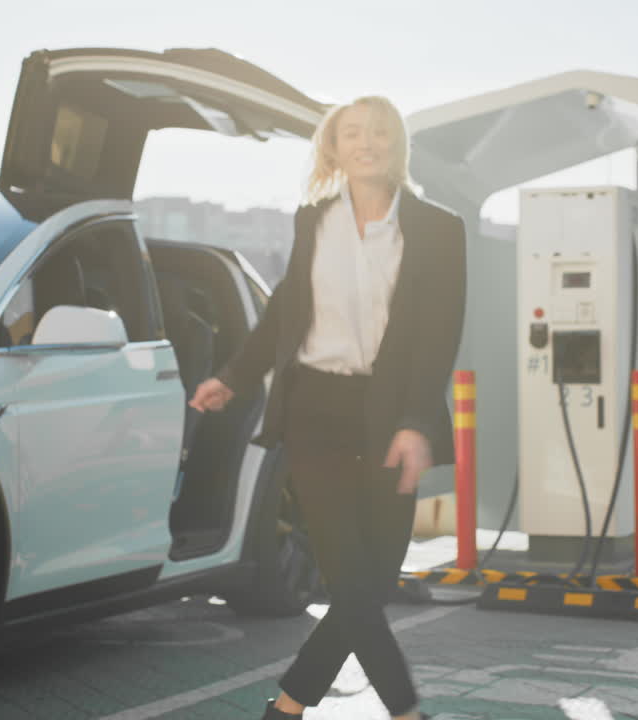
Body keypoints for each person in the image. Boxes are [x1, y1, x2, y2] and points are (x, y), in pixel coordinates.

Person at [188, 95, 466, 720]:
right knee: (350, 580)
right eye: (352, 133)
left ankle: (286, 708)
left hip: (391, 415)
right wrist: (233, 377)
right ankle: (407, 713)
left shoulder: (439, 230)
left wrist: (418, 422)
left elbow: (440, 333)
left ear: (398, 145)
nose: (366, 142)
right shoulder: (313, 222)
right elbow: (287, 309)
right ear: (333, 148)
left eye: (378, 131)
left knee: (371, 582)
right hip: (318, 410)